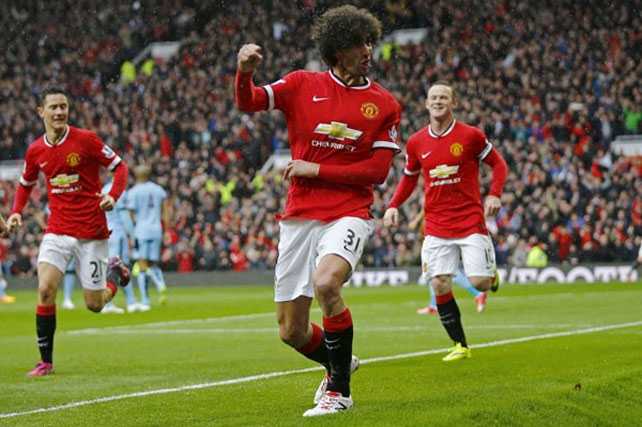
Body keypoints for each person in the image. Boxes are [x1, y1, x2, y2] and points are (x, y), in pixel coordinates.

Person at [236, 5, 400, 417]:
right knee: (290, 330)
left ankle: (339, 391)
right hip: (300, 216)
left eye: (369, 42)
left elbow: (378, 172)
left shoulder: (383, 104)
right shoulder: (301, 84)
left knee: (327, 284)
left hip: (349, 212)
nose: (367, 50)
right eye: (357, 44)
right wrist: (244, 73)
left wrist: (317, 169)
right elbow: (250, 102)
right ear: (336, 50)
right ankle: (339, 361)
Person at [6, 87, 131, 377]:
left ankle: (116, 274)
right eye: (54, 107)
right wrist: (16, 212)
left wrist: (113, 196)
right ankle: (45, 362)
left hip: (91, 230)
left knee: (94, 305)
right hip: (58, 230)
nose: (60, 111)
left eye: (63, 106)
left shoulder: (86, 140)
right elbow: (25, 184)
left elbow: (120, 167)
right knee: (45, 289)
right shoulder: (35, 150)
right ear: (41, 112)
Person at [384, 81, 507, 362]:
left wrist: (494, 194)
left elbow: (499, 164)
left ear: (454, 103)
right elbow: (409, 178)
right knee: (439, 283)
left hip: (469, 220)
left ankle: (491, 275)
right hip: (436, 226)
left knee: (480, 283)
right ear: (426, 104)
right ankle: (460, 345)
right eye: (434, 98)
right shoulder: (416, 142)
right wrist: (392, 205)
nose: (438, 101)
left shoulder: (471, 136)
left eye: (443, 97)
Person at [127, 165, 170, 310]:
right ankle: (161, 283)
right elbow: (166, 211)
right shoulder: (158, 190)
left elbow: (130, 215)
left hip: (141, 231)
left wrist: (130, 233)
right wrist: (167, 231)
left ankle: (145, 301)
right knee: (152, 263)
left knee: (142, 265)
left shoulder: (134, 192)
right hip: (156, 230)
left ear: (136, 176)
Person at [102, 180, 143, 313]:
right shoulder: (119, 191)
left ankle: (129, 301)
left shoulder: (104, 189)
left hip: (106, 231)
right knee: (117, 268)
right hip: (117, 232)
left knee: (115, 268)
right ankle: (110, 304)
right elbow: (124, 216)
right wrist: (133, 235)